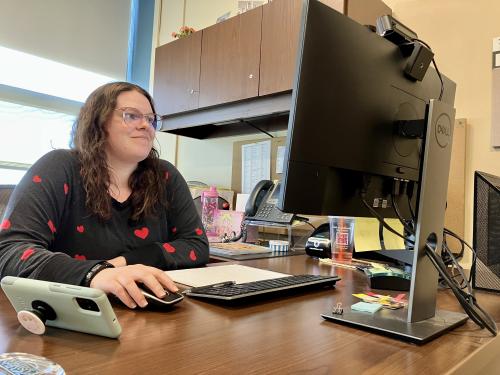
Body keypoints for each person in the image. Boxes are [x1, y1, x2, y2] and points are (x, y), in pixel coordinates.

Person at [0, 81, 209, 309]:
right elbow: (11, 251)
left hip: (150, 315)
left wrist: (123, 263)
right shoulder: (59, 167)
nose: (146, 126)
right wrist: (94, 274)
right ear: (98, 121)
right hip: (70, 317)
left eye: (150, 119)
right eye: (132, 115)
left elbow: (196, 244)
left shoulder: (165, 176)